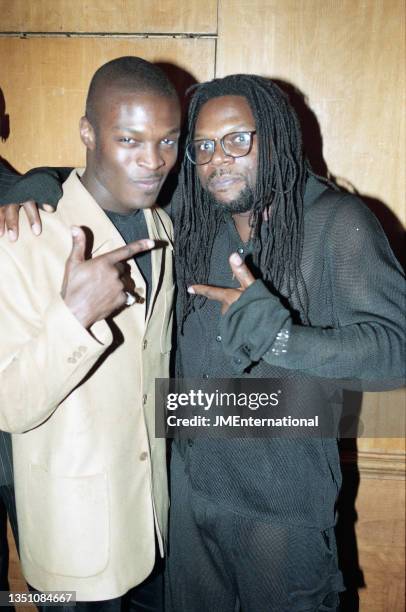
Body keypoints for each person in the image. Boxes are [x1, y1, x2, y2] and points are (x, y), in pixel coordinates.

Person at [1, 74, 405, 611]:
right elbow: (106, 175)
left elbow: (395, 353)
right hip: (186, 516)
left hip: (280, 519)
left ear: (277, 136)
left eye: (239, 139)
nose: (219, 159)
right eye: (203, 147)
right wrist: (28, 188)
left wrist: (283, 339)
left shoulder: (336, 224)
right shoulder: (189, 223)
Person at [0, 56, 181, 611]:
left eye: (169, 141)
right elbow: (6, 405)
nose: (153, 162)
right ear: (88, 133)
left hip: (152, 525)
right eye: (130, 139)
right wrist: (72, 318)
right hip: (73, 541)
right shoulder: (24, 239)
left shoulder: (162, 228)